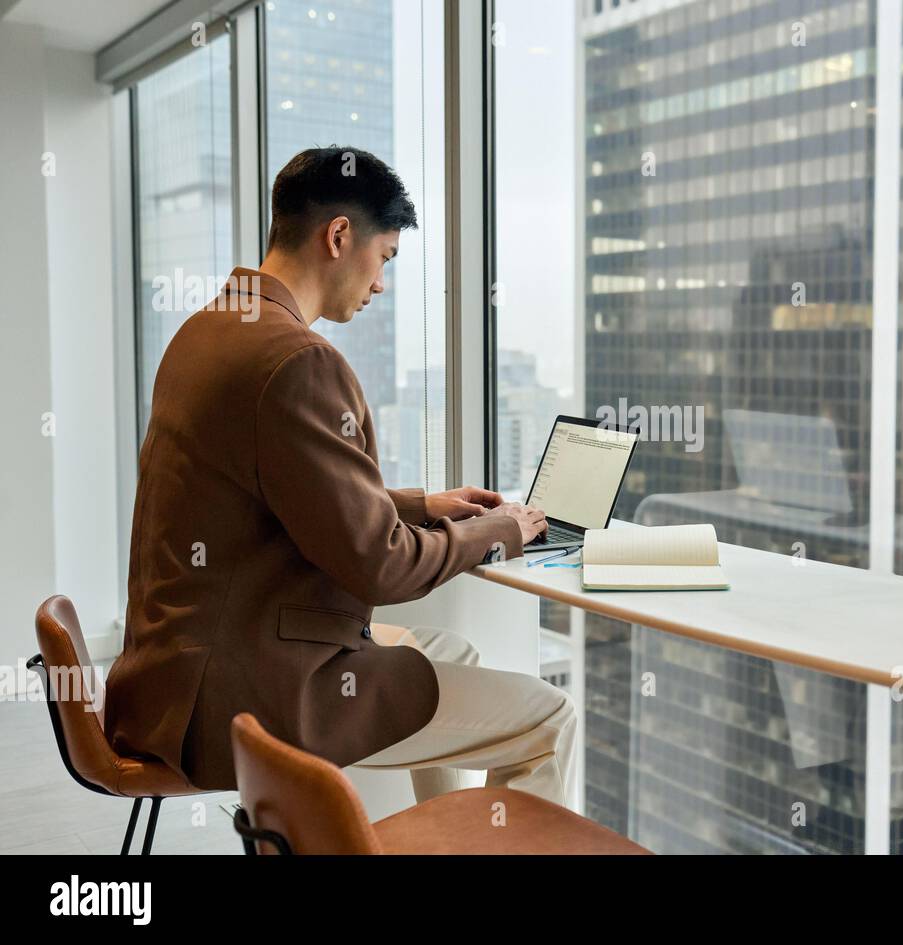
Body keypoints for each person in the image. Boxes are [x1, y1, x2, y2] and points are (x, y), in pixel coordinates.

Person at [104, 146, 576, 808]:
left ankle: (439, 842)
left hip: (170, 680)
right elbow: (380, 567)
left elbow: (275, 493)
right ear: (339, 236)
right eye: (385, 257)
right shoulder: (298, 361)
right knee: (550, 718)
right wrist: (500, 531)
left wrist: (421, 505)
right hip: (245, 698)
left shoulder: (205, 331)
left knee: (452, 653)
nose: (381, 283)